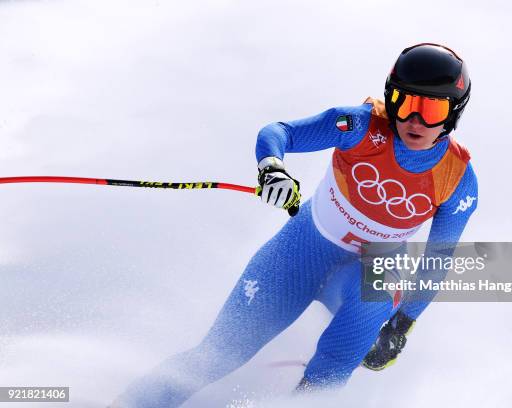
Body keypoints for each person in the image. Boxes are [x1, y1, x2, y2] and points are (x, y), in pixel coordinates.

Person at [112, 43, 478, 407]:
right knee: (217, 356)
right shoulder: (360, 125)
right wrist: (272, 166)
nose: (415, 120)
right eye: (405, 103)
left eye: (431, 108)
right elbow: (279, 132)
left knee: (370, 304)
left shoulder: (457, 178)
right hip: (302, 251)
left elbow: (437, 260)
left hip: (368, 273)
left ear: (453, 113)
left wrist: (403, 324)